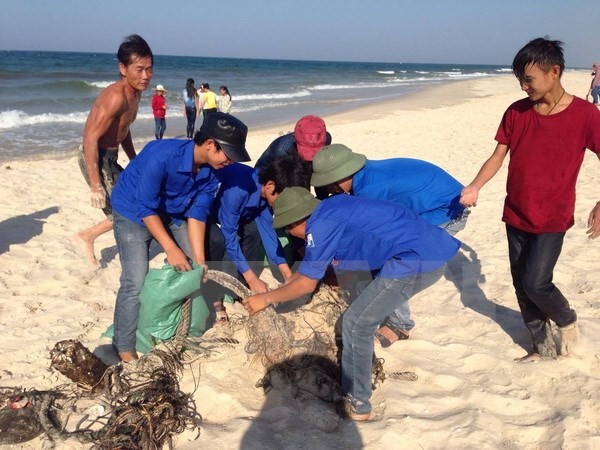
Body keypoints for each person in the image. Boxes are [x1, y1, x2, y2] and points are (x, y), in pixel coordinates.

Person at [243, 187, 460, 421]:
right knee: (355, 311)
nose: (289, 232)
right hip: (426, 247)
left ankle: (358, 403)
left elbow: (306, 283)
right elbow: (306, 272)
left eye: (287, 227)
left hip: (417, 260)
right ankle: (357, 361)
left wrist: (265, 299)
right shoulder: (330, 209)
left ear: (298, 221)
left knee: (356, 324)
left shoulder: (319, 227)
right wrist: (280, 292)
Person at [459, 38, 600, 361]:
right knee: (521, 285)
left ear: (554, 71)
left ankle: (566, 319)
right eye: (520, 80)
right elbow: (498, 155)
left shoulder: (585, 115)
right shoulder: (516, 112)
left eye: (528, 79)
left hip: (553, 216)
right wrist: (476, 185)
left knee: (537, 282)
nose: (523, 86)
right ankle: (542, 347)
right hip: (516, 213)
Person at [109, 112, 250, 362]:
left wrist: (199, 259)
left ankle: (189, 320)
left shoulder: (213, 169)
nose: (230, 162)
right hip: (132, 211)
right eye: (228, 154)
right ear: (209, 144)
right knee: (134, 279)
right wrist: (171, 249)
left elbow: (198, 213)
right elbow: (146, 209)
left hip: (170, 211)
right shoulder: (161, 156)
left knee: (196, 268)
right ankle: (123, 346)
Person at [311, 144, 469, 347]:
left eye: (329, 184)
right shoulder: (365, 174)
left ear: (342, 176)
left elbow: (371, 233)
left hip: (445, 210)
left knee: (396, 264)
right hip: (437, 201)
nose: (328, 190)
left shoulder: (369, 190)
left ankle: (400, 324)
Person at [74, 34, 153, 266]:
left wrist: (134, 160)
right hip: (95, 156)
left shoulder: (136, 93)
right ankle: (85, 237)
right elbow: (89, 138)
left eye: (149, 69)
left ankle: (88, 236)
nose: (145, 76)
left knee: (135, 201)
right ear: (122, 68)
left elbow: (123, 129)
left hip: (111, 156)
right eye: (139, 70)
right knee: (120, 211)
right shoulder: (115, 97)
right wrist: (96, 185)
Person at [204, 163, 294, 323]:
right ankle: (216, 299)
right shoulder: (238, 192)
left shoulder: (265, 193)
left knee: (254, 232)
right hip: (207, 212)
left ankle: (240, 288)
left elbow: (269, 233)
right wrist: (253, 279)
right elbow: (229, 236)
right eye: (280, 198)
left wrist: (287, 274)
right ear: (270, 185)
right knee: (216, 241)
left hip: (240, 212)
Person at [254, 115, 332, 175]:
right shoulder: (282, 151)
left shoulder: (326, 138)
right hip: (267, 172)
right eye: (306, 148)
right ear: (294, 138)